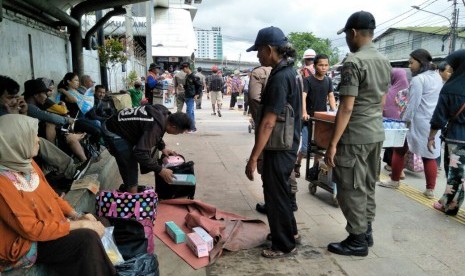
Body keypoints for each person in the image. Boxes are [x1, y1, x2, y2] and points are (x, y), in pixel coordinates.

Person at [0, 114, 115, 275]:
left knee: (99, 220)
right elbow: (32, 230)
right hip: (26, 243)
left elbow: (51, 196)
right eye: (32, 135)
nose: (38, 140)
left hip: (48, 224)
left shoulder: (27, 163)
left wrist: (76, 215)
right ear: (15, 142)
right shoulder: (2, 183)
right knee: (87, 238)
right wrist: (80, 224)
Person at [325, 11, 391, 257]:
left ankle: (356, 240)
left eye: (347, 35)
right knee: (367, 184)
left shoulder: (354, 61)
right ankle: (366, 231)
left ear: (353, 33)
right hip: (375, 132)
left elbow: (347, 106)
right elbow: (382, 100)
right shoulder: (385, 61)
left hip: (355, 135)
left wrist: (333, 143)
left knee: (350, 187)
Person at [245, 26, 302, 258]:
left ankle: (283, 244)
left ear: (269, 49)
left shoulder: (279, 77)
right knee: (282, 191)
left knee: (275, 194)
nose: (257, 55)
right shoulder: (290, 72)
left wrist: (254, 157)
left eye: (258, 50)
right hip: (289, 143)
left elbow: (268, 122)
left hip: (279, 146)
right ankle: (291, 232)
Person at [0, 76, 91, 182]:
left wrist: (21, 113)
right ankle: (65, 170)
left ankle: (72, 170)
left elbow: (60, 112)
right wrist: (13, 116)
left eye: (15, 97)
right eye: (10, 98)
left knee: (41, 140)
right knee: (43, 138)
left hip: (18, 144)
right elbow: (17, 133)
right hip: (7, 150)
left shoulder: (19, 107)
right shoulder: (22, 108)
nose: (14, 101)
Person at [379, 49, 443, 200]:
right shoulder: (437, 77)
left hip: (417, 122)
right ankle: (430, 190)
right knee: (429, 156)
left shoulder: (419, 79)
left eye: (411, 62)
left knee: (399, 150)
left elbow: (413, 105)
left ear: (421, 62)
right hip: (432, 122)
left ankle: (394, 181)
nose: (410, 66)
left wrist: (403, 122)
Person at [102, 104, 192, 194]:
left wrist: (162, 147)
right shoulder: (155, 127)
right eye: (179, 132)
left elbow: (153, 130)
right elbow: (140, 153)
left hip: (118, 123)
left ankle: (130, 191)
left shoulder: (164, 113)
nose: (178, 134)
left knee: (138, 153)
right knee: (129, 163)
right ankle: (132, 199)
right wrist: (160, 170)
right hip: (112, 130)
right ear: (173, 127)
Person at [429, 49, 465, 215]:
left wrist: (431, 136)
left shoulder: (451, 87)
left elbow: (439, 117)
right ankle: (453, 204)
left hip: (456, 137)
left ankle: (448, 205)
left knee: (455, 174)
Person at [295, 53, 336, 178]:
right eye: (321, 65)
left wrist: (334, 111)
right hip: (309, 118)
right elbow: (304, 96)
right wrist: (304, 112)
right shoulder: (308, 81)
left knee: (320, 146)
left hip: (322, 119)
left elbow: (331, 96)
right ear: (315, 66)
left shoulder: (328, 80)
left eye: (326, 65)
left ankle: (315, 168)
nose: (324, 68)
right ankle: (297, 163)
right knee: (305, 148)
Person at [381, 68, 409, 178]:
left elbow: (384, 108)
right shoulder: (408, 90)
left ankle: (398, 171)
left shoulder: (390, 91)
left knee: (392, 147)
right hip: (404, 124)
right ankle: (396, 168)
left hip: (390, 124)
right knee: (400, 147)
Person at [180, 62, 201, 133]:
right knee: (191, 112)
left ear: (186, 68)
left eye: (183, 69)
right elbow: (187, 86)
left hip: (191, 96)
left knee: (189, 112)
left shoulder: (194, 77)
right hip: (187, 96)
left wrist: (197, 94)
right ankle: (193, 128)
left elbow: (199, 86)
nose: (183, 70)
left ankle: (191, 128)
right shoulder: (187, 76)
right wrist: (183, 86)